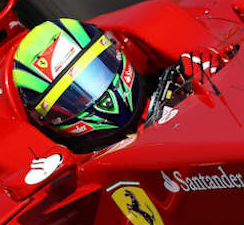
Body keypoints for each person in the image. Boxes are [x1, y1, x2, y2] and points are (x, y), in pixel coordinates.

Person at [12, 18, 226, 152]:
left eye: (97, 73)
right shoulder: (72, 168)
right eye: (73, 99)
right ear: (47, 118)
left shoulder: (178, 80)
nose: (105, 100)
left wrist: (220, 72)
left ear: (112, 51)